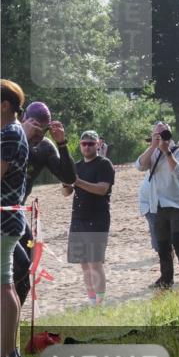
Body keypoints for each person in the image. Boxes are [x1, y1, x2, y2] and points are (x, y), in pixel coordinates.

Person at [13, 101, 75, 306]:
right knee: (19, 265)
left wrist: (62, 143)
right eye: (35, 127)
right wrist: (23, 136)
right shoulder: (9, 136)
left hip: (16, 211)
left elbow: (68, 176)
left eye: (44, 129)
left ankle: (10, 321)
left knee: (26, 270)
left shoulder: (44, 148)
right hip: (3, 211)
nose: (39, 134)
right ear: (24, 120)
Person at [137, 122, 179, 290]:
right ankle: (166, 279)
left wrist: (166, 150)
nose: (161, 136)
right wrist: (153, 146)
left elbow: (178, 171)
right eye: (157, 133)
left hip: (177, 203)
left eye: (164, 133)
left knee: (178, 240)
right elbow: (140, 165)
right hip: (158, 204)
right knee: (162, 244)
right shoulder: (153, 152)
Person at [60, 129, 115, 305]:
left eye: (91, 143)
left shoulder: (104, 164)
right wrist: (65, 181)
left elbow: (102, 189)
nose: (87, 147)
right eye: (84, 143)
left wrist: (78, 182)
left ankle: (100, 302)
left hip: (97, 218)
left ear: (98, 144)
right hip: (78, 217)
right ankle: (92, 301)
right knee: (83, 264)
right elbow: (66, 192)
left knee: (95, 263)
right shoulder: (76, 166)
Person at [1, 80, 29, 357]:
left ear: (5, 105)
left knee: (3, 285)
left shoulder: (9, 134)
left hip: (3, 220)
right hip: (6, 218)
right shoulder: (10, 131)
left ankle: (6, 353)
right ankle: (9, 349)